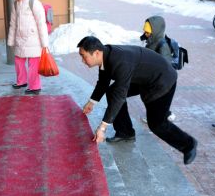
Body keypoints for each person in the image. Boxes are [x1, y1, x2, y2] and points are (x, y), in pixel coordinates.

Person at [78, 36, 197, 165]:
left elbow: (120, 95)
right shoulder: (106, 56)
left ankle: (188, 145)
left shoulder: (120, 61)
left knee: (157, 124)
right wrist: (92, 102)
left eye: (84, 56)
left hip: (162, 80)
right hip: (144, 77)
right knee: (112, 92)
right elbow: (103, 82)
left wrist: (102, 128)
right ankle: (125, 132)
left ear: (96, 53)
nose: (82, 60)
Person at [7, 0, 49, 95]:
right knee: (18, 61)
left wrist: (44, 43)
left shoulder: (33, 2)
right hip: (20, 40)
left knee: (33, 64)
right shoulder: (16, 4)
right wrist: (11, 40)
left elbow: (41, 24)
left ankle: (35, 86)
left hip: (33, 40)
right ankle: (21, 81)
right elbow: (13, 23)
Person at [140, 15, 176, 123]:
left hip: (159, 80)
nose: (146, 34)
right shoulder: (151, 41)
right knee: (151, 99)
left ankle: (163, 115)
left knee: (156, 100)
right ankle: (163, 114)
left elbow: (166, 66)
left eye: (148, 32)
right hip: (151, 77)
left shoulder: (162, 45)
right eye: (145, 31)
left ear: (155, 31)